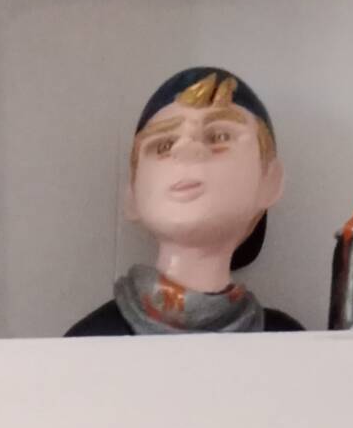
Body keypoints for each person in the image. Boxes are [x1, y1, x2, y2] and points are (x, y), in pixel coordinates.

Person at [70, 65, 303, 337]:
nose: (187, 149)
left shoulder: (287, 343)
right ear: (131, 194)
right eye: (163, 145)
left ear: (271, 181)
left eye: (219, 136)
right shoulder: (92, 341)